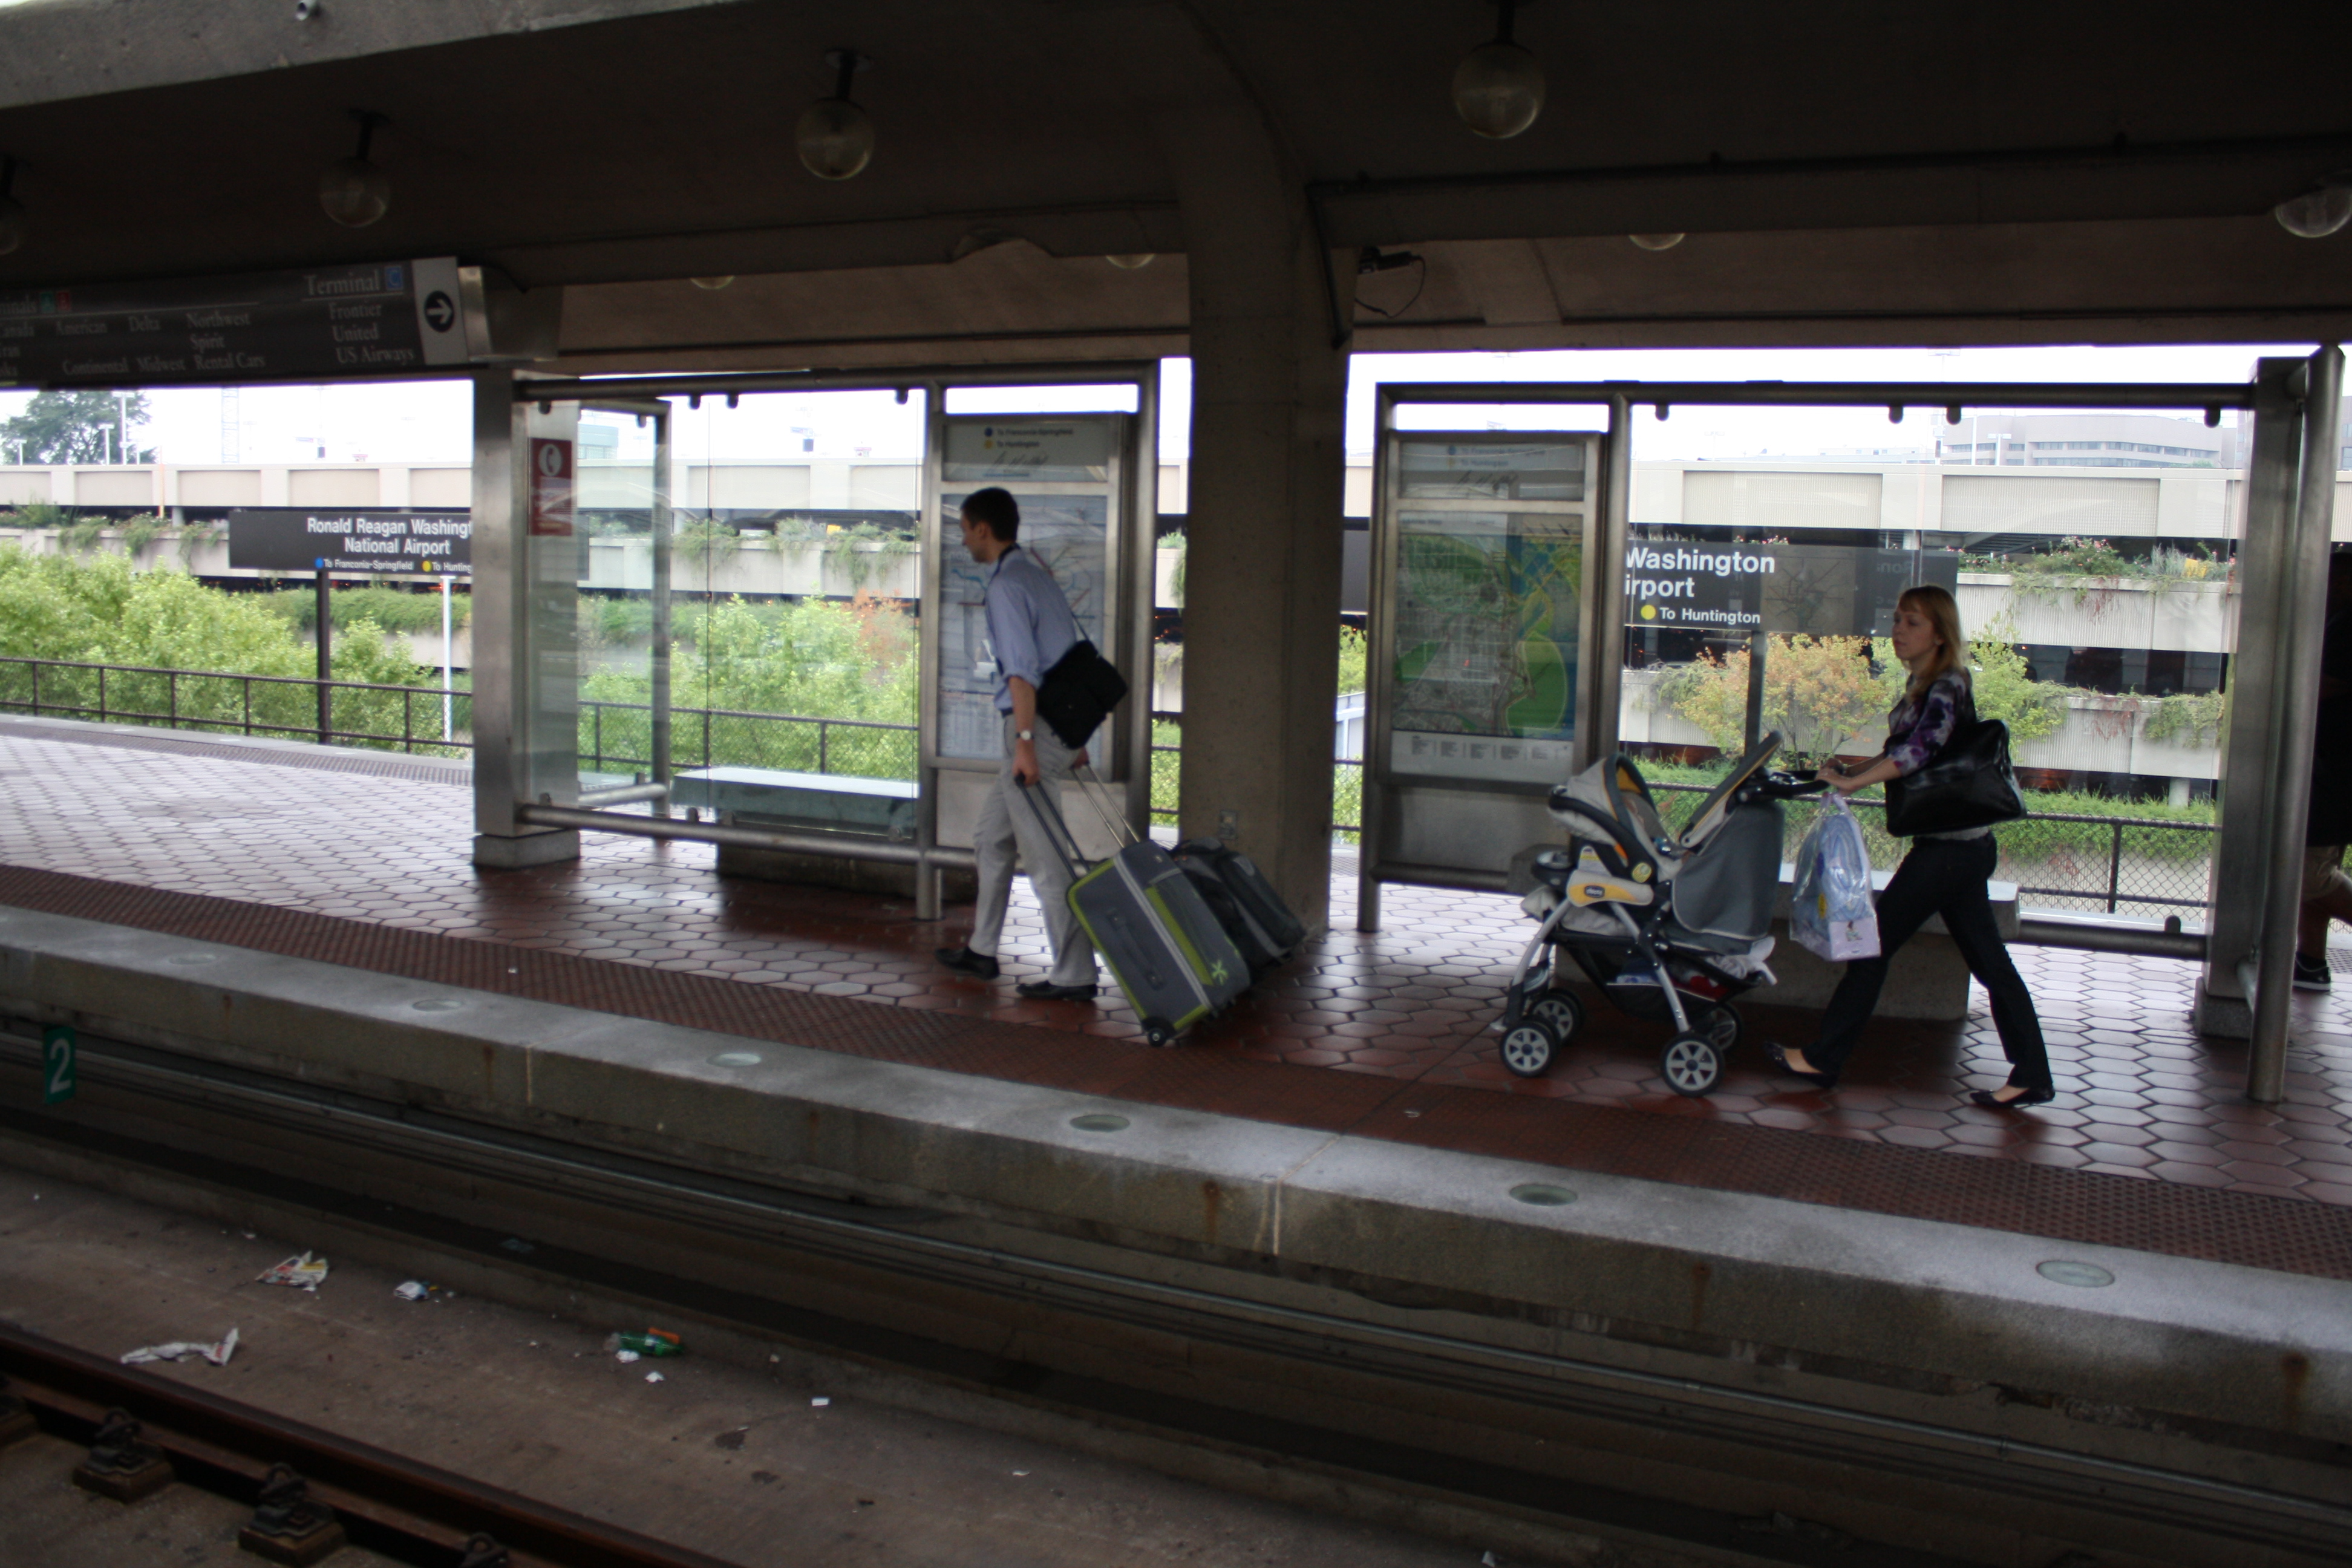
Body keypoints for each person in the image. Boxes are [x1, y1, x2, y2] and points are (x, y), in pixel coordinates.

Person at [1768, 585, 2056, 1108]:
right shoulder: (1925, 684)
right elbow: (1899, 749)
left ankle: (1825, 1058)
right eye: (1898, 620)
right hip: (1961, 848)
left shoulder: (1948, 685)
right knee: (1990, 963)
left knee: (1872, 946)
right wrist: (1850, 770)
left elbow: (1919, 753)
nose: (1898, 631)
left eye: (1912, 623)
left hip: (1949, 852)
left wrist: (1856, 784)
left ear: (1941, 635)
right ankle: (2033, 1072)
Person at [933, 486, 1102, 1001]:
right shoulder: (1035, 576)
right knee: (991, 839)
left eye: (964, 530)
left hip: (1030, 730)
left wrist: (1027, 742)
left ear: (983, 529)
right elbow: (1068, 661)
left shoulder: (1007, 587)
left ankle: (1075, 973)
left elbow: (1022, 674)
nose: (963, 541)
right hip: (1054, 727)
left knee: (1046, 855)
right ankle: (983, 948)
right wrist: (1071, 737)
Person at [2294, 550, 2352, 990]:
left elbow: (2322, 685)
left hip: (2334, 773)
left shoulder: (2347, 625)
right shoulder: (2338, 622)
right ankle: (2310, 961)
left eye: (2331, 579)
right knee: (2311, 867)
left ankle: (2310, 960)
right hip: (2331, 767)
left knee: (2310, 874)